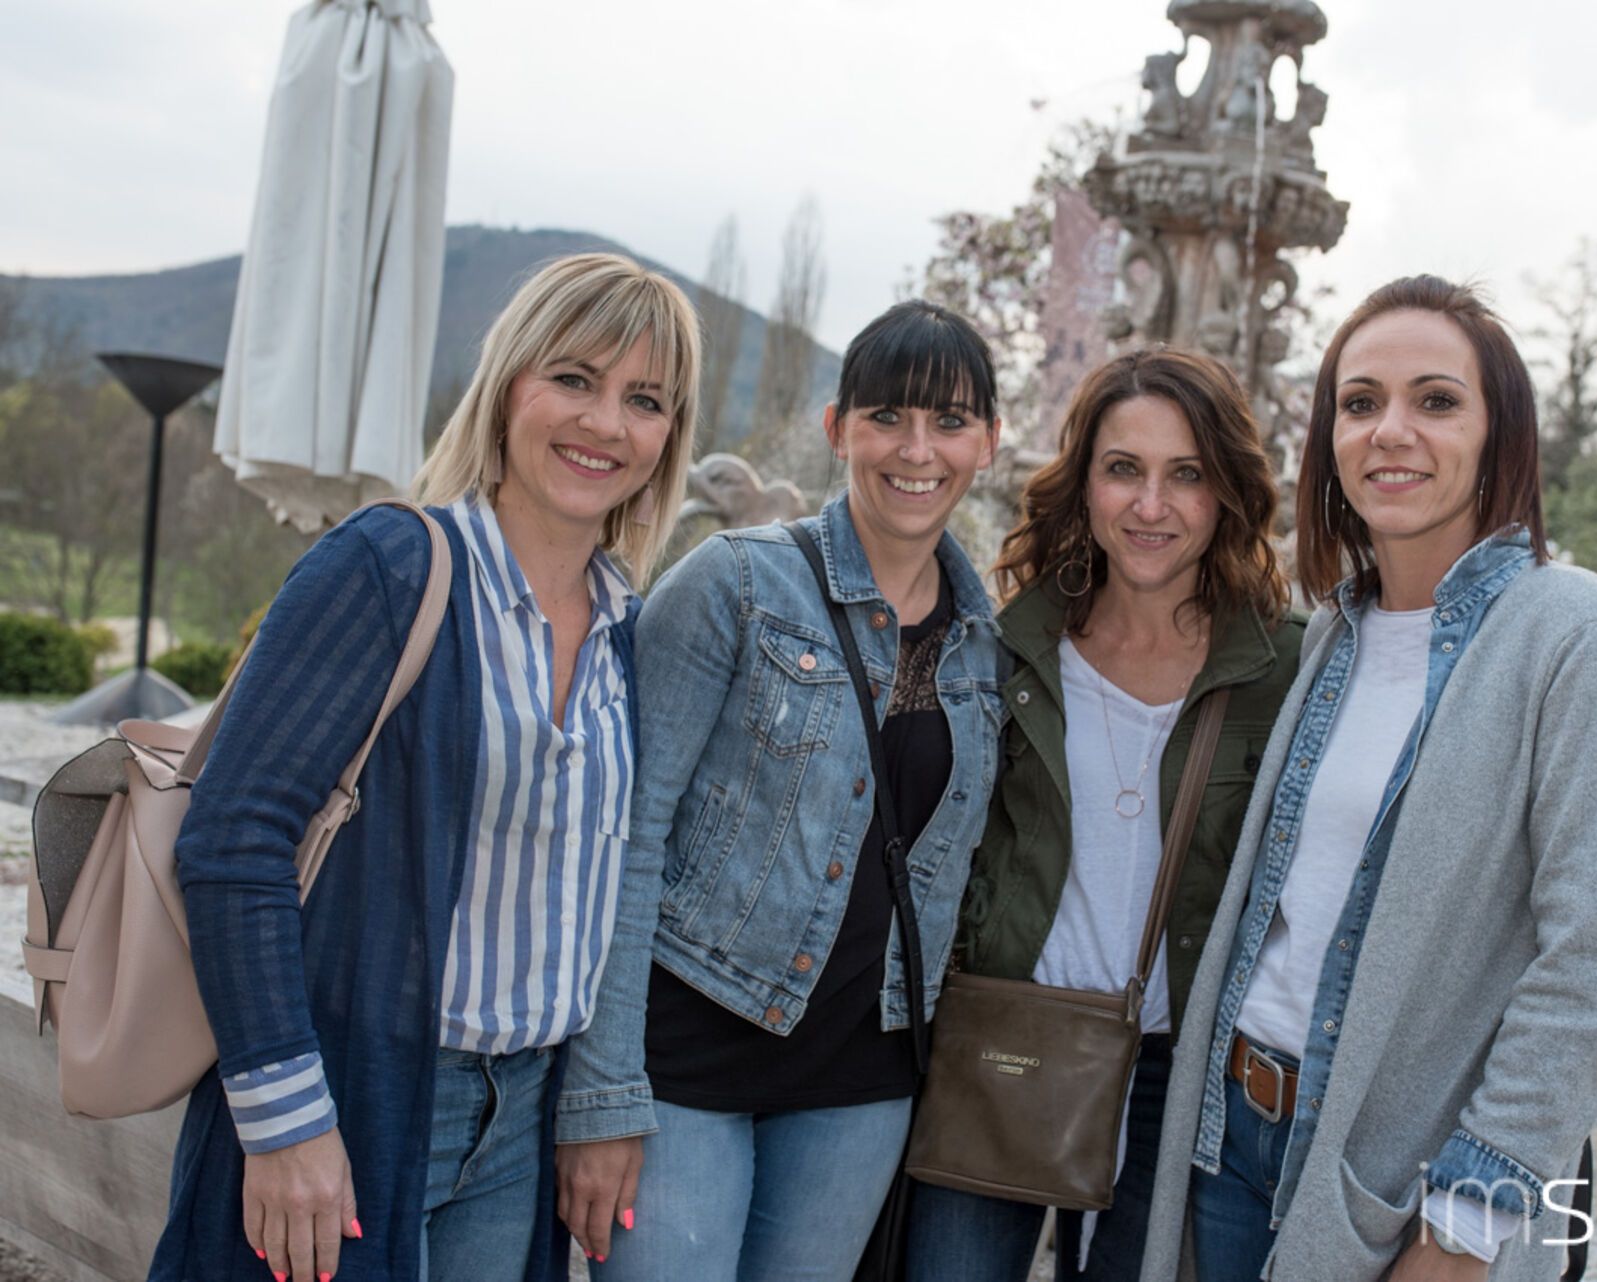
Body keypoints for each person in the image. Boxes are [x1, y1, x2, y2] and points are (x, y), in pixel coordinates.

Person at [152, 252, 702, 1282]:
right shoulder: (389, 567)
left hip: (525, 1122)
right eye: (574, 379)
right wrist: (285, 1120)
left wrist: (593, 1103)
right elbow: (233, 838)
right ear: (507, 388)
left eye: (645, 400)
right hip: (357, 1093)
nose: (606, 423)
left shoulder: (630, 629)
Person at [1141, 276, 1597, 1282]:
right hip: (1230, 1134)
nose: (1391, 430)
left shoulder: (1579, 635)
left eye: (1436, 400)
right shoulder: (1332, 634)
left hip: (1396, 1178)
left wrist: (1470, 1217)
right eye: (1360, 402)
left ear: (1497, 433)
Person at [552, 301, 1007, 1281]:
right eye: (886, 417)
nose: (916, 449)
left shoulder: (988, 648)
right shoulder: (735, 583)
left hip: (860, 1086)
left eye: (949, 421)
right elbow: (624, 839)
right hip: (684, 1064)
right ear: (839, 429)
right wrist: (600, 1092)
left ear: (988, 443)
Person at [903, 348, 1302, 1281]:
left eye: (1186, 475)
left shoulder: (1283, 666)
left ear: (1227, 491)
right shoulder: (1012, 645)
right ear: (1083, 483)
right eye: (1124, 469)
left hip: (1175, 1069)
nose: (1151, 506)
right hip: (1005, 1033)